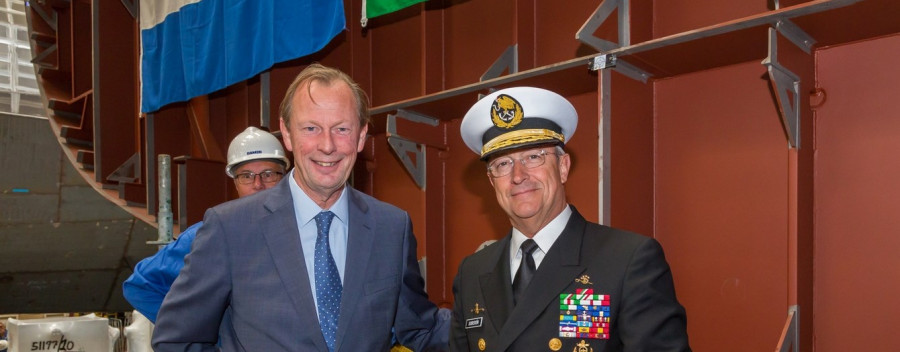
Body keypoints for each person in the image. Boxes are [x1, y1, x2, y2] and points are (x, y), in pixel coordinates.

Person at [152, 63, 450, 352]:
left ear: (361, 136)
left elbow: (421, 328)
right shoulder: (230, 229)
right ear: (288, 134)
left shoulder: (391, 228)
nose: (328, 145)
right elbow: (176, 339)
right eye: (311, 128)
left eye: (342, 129)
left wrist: (491, 315)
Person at [451, 87, 690, 351]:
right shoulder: (473, 272)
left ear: (563, 167)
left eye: (533, 157)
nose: (518, 176)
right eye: (503, 164)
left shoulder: (628, 260)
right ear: (491, 181)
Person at [122, 126, 290, 323]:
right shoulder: (209, 235)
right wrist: (194, 335)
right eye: (246, 176)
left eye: (269, 174)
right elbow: (141, 286)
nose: (258, 184)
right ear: (235, 183)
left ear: (284, 177)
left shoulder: (305, 229)